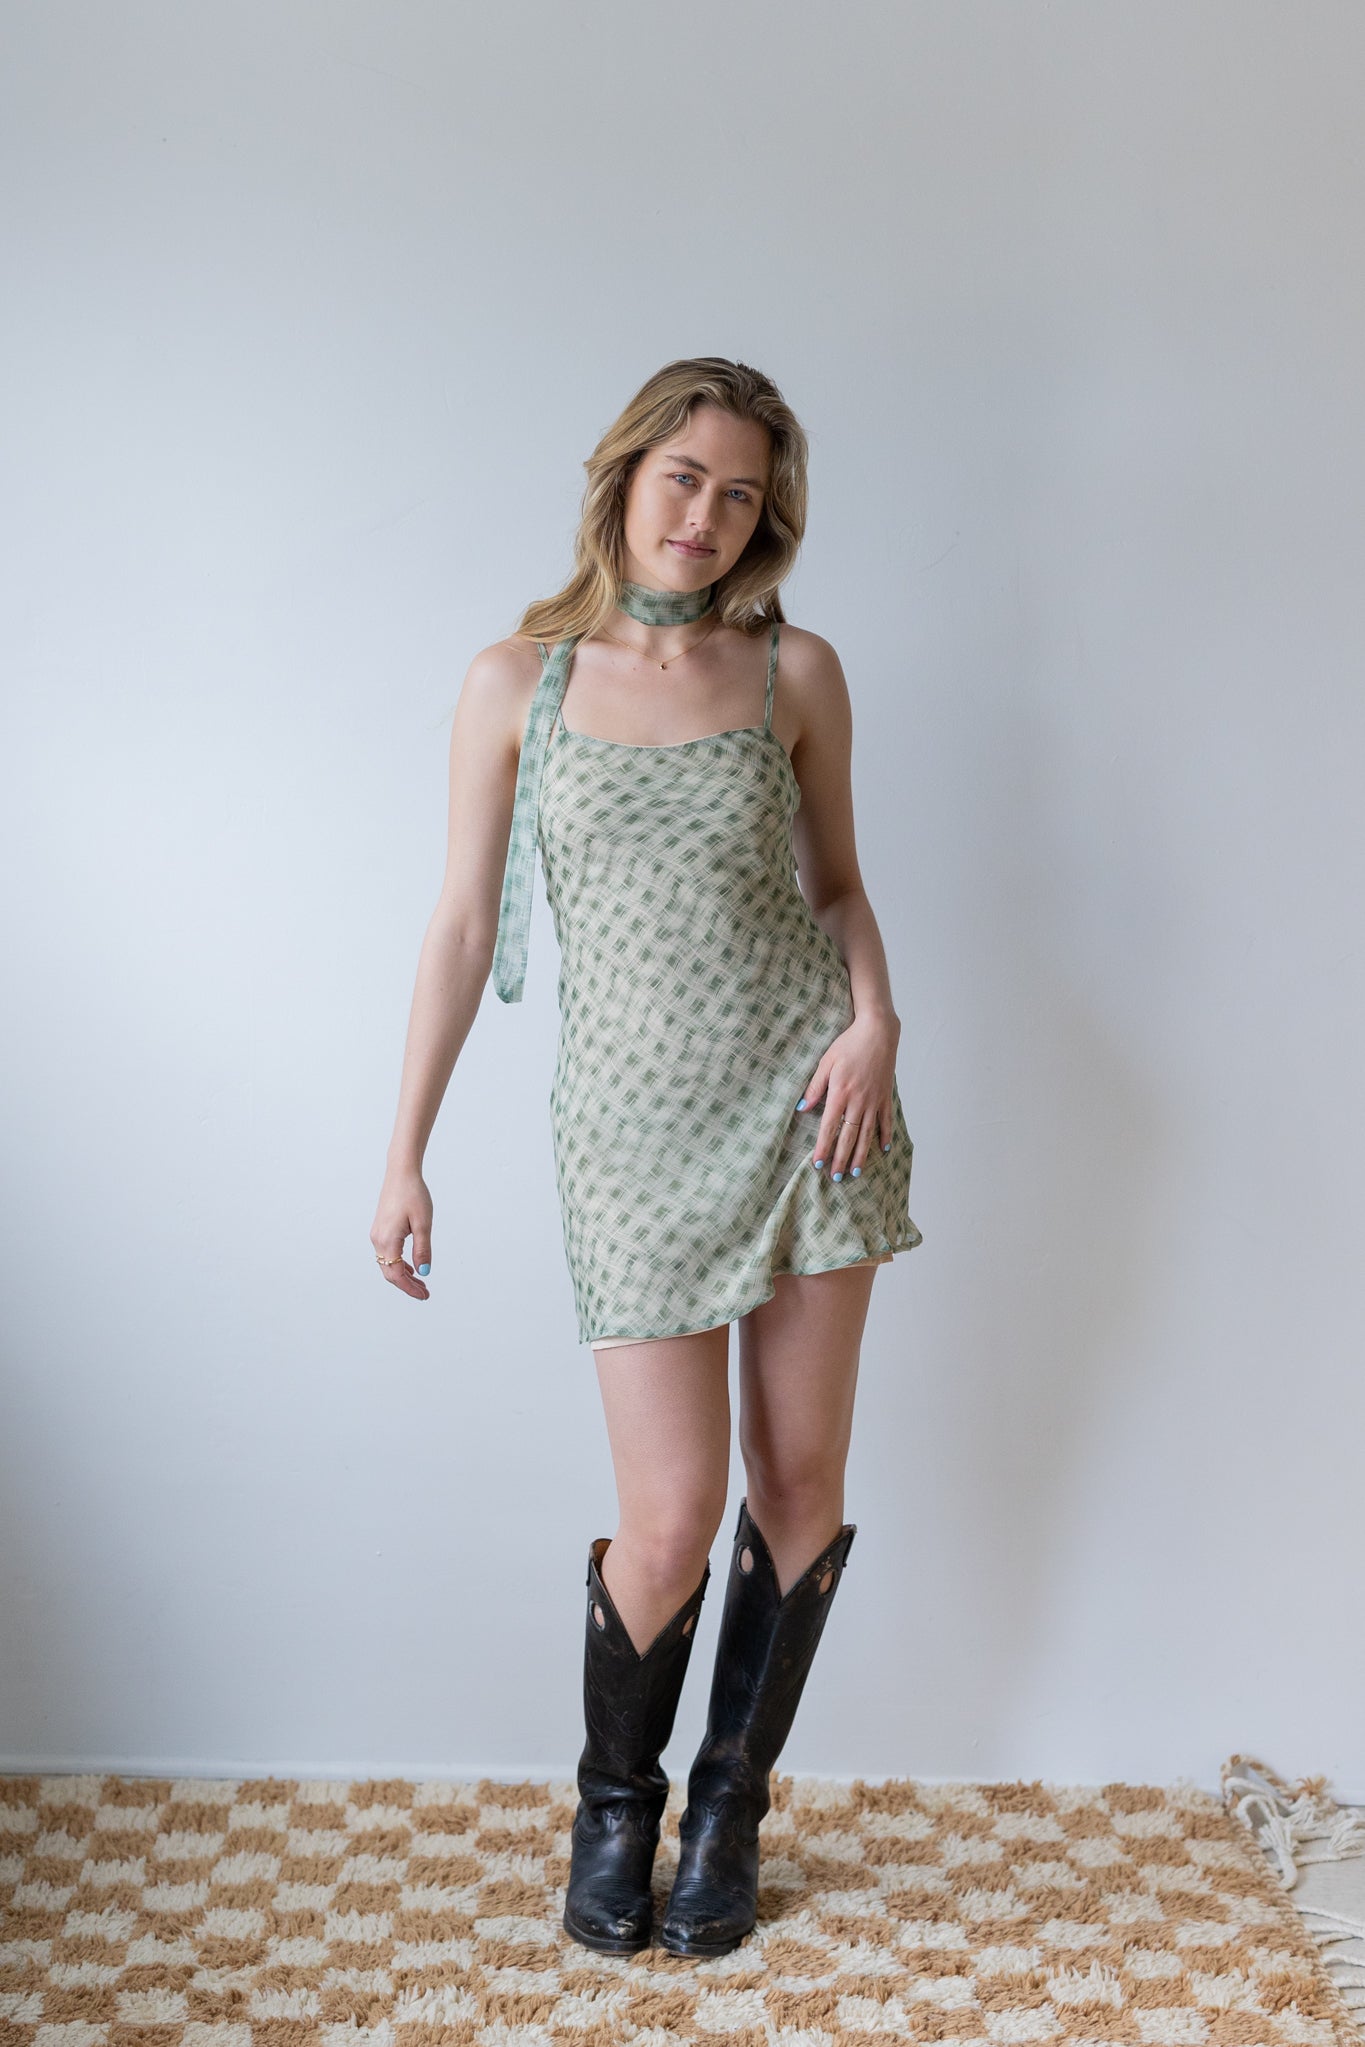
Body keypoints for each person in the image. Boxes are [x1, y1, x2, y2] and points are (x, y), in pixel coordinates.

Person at [370, 357, 922, 1959]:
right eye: (684, 477)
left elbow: (835, 885)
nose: (706, 514)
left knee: (797, 1483)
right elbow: (459, 927)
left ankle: (726, 1812)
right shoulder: (514, 681)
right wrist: (403, 1152)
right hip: (626, 1136)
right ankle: (616, 1806)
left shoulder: (793, 670)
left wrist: (876, 1021)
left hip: (813, 1112)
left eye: (741, 493)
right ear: (621, 476)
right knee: (667, 1515)